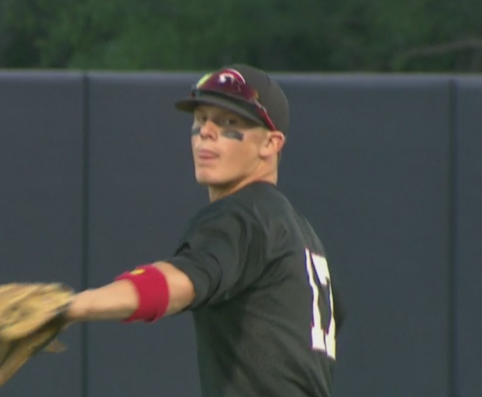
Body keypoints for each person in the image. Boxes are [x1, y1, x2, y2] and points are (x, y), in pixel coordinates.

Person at [64, 63, 347, 397]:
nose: (206, 132)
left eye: (229, 121)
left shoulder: (242, 213)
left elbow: (179, 282)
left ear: (270, 143)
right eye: (200, 119)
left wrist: (68, 308)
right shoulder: (300, 234)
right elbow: (334, 316)